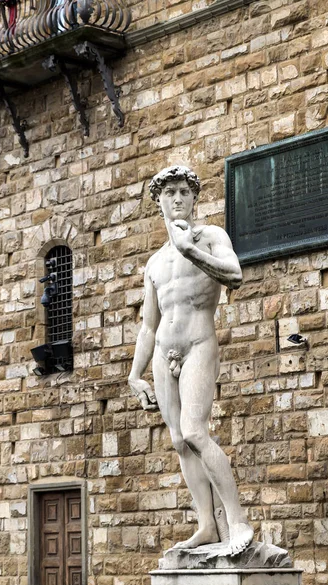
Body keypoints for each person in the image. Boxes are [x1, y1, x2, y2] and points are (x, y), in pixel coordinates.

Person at [128, 165, 254, 556]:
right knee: (180, 441)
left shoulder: (211, 237)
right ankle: (206, 526)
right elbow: (149, 326)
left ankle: (237, 521)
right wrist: (135, 375)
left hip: (199, 342)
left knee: (196, 431)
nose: (178, 198)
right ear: (159, 202)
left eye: (184, 191)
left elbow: (234, 275)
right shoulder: (154, 263)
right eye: (170, 194)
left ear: (194, 198)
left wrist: (190, 250)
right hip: (164, 352)